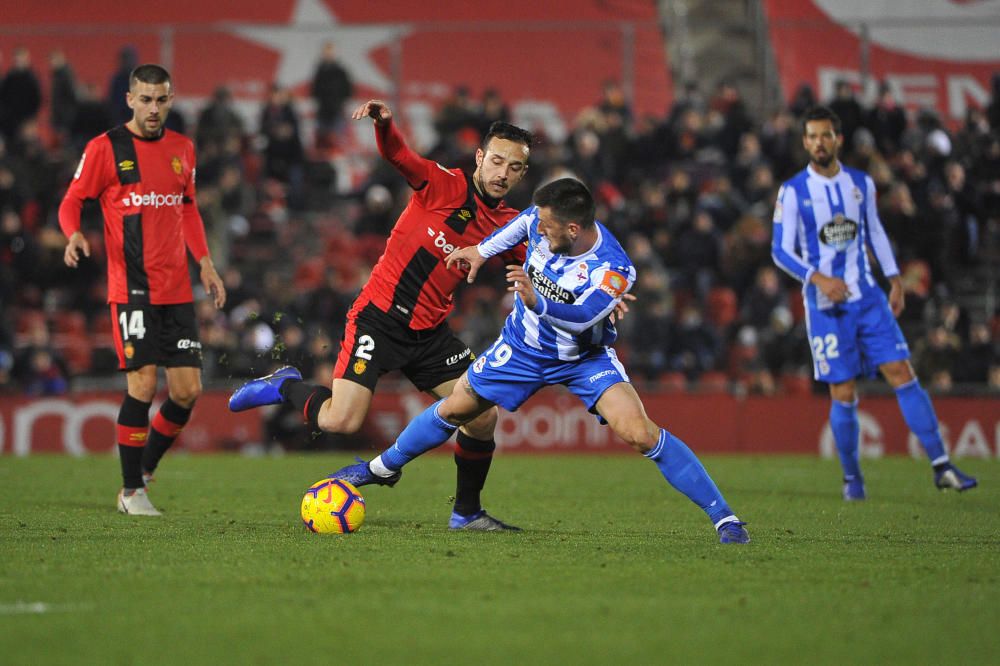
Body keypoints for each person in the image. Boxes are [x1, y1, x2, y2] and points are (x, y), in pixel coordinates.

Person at [328, 178, 751, 544]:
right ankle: (380, 469)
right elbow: (517, 227)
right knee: (458, 408)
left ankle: (725, 518)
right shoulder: (540, 219)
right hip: (522, 349)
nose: (538, 231)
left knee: (639, 433)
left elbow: (584, 316)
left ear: (573, 228)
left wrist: (537, 300)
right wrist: (480, 250)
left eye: (547, 229)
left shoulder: (614, 269)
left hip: (583, 358)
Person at [229, 99, 535, 531]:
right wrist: (386, 125)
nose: (504, 174)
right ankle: (286, 385)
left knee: (483, 415)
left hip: (430, 334)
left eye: (515, 168)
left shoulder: (511, 227)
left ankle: (466, 514)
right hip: (379, 319)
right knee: (341, 419)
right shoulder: (444, 184)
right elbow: (398, 156)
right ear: (480, 158)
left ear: (523, 174)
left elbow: (547, 265)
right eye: (498, 161)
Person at [771, 106, 978, 500]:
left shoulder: (861, 184)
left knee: (901, 371)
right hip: (825, 305)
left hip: (867, 296)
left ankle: (942, 466)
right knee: (843, 391)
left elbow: (875, 232)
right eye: (812, 136)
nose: (818, 143)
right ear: (804, 142)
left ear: (838, 139)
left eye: (825, 135)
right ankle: (853, 479)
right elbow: (780, 250)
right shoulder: (793, 190)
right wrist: (818, 278)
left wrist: (895, 279)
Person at [59, 64, 226, 516]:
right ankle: (131, 491)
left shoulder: (183, 148)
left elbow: (187, 209)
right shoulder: (104, 149)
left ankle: (145, 469)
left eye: (162, 99)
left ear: (171, 101)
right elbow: (72, 200)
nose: (154, 108)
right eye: (146, 99)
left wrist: (205, 262)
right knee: (142, 384)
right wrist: (73, 233)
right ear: (130, 100)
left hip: (177, 290)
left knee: (188, 391)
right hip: (131, 290)